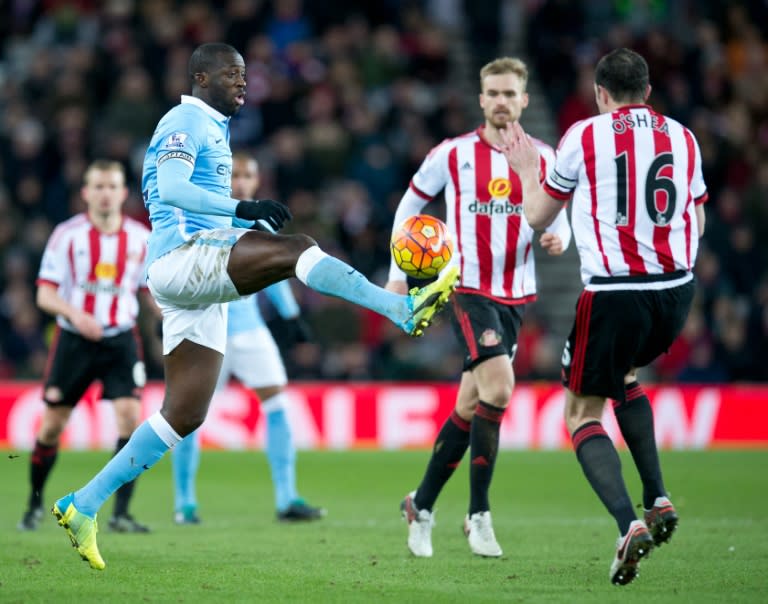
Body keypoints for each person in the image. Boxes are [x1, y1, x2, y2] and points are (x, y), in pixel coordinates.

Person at [50, 42, 458, 571]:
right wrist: (241, 207)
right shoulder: (184, 119)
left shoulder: (215, 128)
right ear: (200, 76)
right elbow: (171, 188)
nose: (244, 82)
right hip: (181, 260)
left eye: (246, 74)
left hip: (198, 272)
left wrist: (241, 225)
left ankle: (81, 504)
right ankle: (398, 307)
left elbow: (208, 209)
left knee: (184, 413)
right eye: (232, 73)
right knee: (299, 247)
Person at [500, 48, 707, 585]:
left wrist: (527, 170)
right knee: (627, 376)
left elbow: (537, 216)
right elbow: (699, 221)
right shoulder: (684, 138)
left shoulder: (584, 135)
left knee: (582, 414)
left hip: (616, 292)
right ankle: (658, 498)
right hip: (676, 292)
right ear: (648, 92)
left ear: (600, 94)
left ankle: (627, 526)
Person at [388, 57, 571, 558]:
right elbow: (410, 204)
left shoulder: (545, 156)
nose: (502, 101)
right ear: (481, 99)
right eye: (493, 93)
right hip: (467, 288)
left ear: (524, 100)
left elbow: (561, 217)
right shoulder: (452, 155)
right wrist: (399, 270)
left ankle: (420, 504)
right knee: (501, 386)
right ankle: (479, 515)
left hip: (518, 294)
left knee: (471, 405)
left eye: (511, 93)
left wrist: (557, 237)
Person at [172, 152, 325, 524]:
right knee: (189, 415)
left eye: (248, 175)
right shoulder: (206, 215)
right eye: (234, 174)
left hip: (251, 328)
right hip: (209, 327)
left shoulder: (259, 221)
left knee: (276, 401)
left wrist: (291, 317)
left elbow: (276, 265)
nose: (240, 181)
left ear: (257, 182)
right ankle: (185, 503)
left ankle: (287, 498)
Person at [19, 160, 154, 534]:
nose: (105, 193)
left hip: (121, 339)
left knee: (131, 420)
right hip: (74, 341)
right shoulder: (68, 235)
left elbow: (149, 291)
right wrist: (76, 315)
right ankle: (33, 503)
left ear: (123, 192)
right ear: (86, 192)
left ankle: (121, 514)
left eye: (112, 186)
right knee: (51, 427)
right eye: (98, 186)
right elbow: (45, 294)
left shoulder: (140, 237)